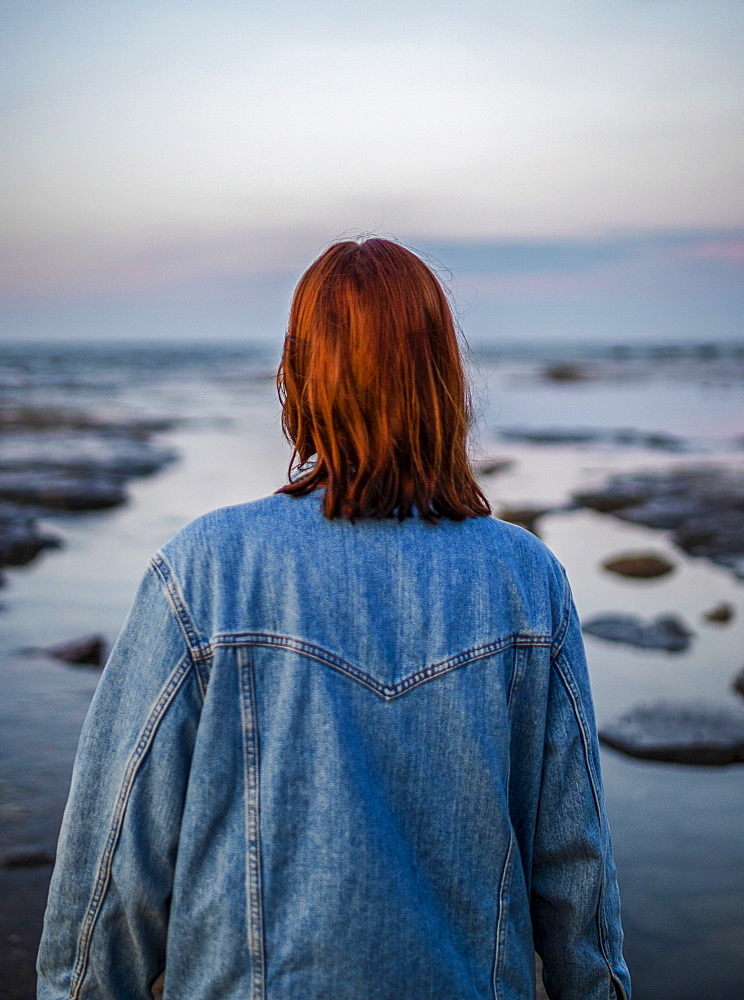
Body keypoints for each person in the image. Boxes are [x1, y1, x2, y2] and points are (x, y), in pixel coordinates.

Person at [37, 238, 631, 1000]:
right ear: (441, 377)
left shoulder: (206, 569)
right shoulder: (525, 578)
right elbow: (575, 860)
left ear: (296, 374)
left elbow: (113, 863)